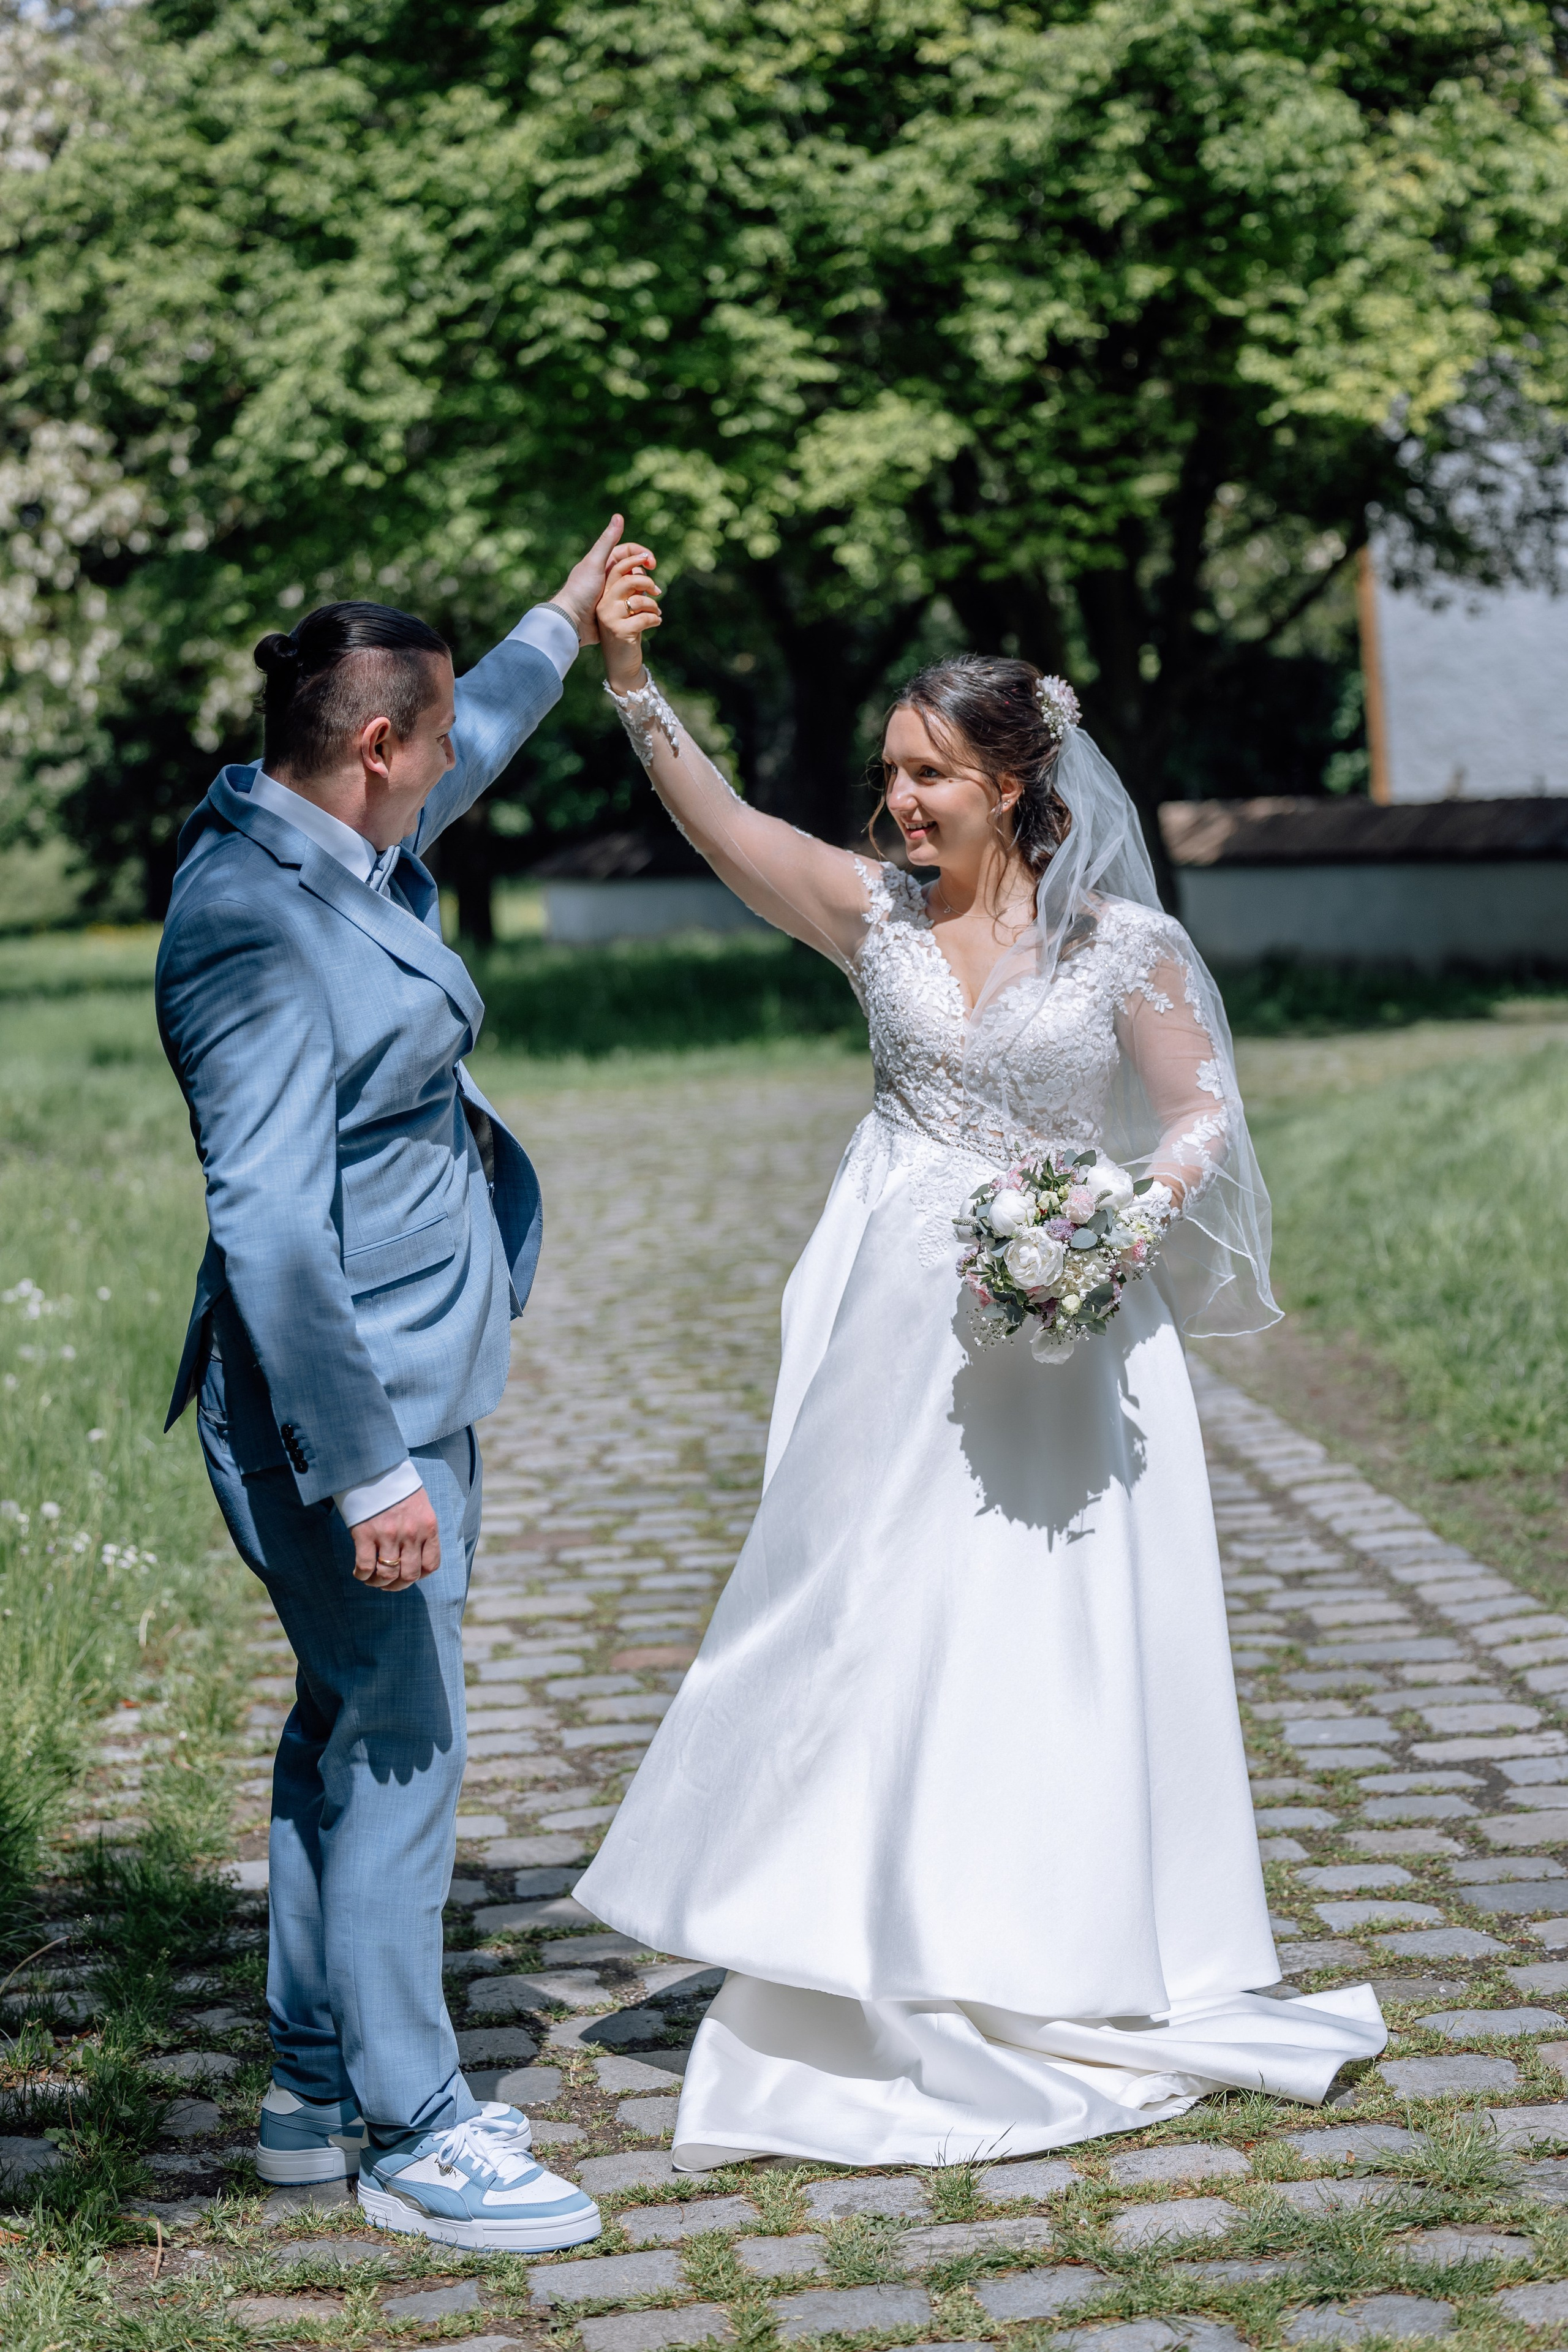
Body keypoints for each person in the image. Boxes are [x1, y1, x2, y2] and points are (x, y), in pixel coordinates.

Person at [573, 544, 1386, 2168]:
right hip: (894, 1312)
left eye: (931, 773)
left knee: (1049, 1630)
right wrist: (627, 680)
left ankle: (1050, 1932)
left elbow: (1201, 1107)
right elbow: (727, 830)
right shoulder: (866, 914)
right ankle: (858, 1917)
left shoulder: (1124, 945)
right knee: (870, 1611)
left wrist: (1125, 1213)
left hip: (1078, 1323)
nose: (901, 802)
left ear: (1013, 784)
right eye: (890, 774)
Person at [154, 522, 647, 2250]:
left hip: (409, 1371)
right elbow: (273, 1228)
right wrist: (371, 1478)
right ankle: (415, 2125)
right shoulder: (251, 924)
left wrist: (562, 628)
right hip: (340, 1411)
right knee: (407, 1748)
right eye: (425, 745)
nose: (449, 768)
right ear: (377, 747)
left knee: (345, 1728)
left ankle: (305, 2085)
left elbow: (485, 723)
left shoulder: (336, 838)